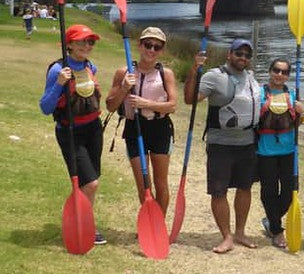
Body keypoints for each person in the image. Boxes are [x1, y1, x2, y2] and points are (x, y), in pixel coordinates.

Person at [184, 38, 261, 254]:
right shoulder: (214, 76)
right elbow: (190, 99)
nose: (243, 58)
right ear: (229, 54)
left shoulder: (251, 78)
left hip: (247, 143)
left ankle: (240, 232)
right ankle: (226, 236)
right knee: (219, 191)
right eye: (239, 54)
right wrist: (195, 69)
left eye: (247, 55)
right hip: (221, 144)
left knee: (245, 188)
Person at [39, 24, 106, 244]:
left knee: (90, 181)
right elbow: (46, 107)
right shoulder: (58, 70)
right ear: (69, 44)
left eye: (90, 42)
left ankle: (84, 222)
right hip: (70, 132)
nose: (86, 46)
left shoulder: (91, 67)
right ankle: (82, 224)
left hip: (93, 130)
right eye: (80, 41)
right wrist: (59, 84)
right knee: (90, 183)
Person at [105, 27, 177, 217]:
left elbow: (172, 106)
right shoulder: (124, 72)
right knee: (143, 183)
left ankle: (159, 223)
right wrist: (124, 88)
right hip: (134, 128)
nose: (151, 50)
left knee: (161, 182)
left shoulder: (166, 73)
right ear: (140, 45)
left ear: (161, 50)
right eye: (148, 45)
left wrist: (147, 103)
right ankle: (149, 220)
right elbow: (110, 106)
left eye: (157, 47)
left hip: (160, 128)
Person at [257, 57, 304, 249]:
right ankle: (276, 231)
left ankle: (270, 219)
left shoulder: (293, 95)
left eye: (284, 72)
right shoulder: (259, 93)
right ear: (270, 71)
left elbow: (296, 123)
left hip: (288, 151)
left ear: (288, 76)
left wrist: (300, 113)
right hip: (265, 151)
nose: (279, 74)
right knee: (269, 192)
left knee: (290, 193)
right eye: (276, 70)